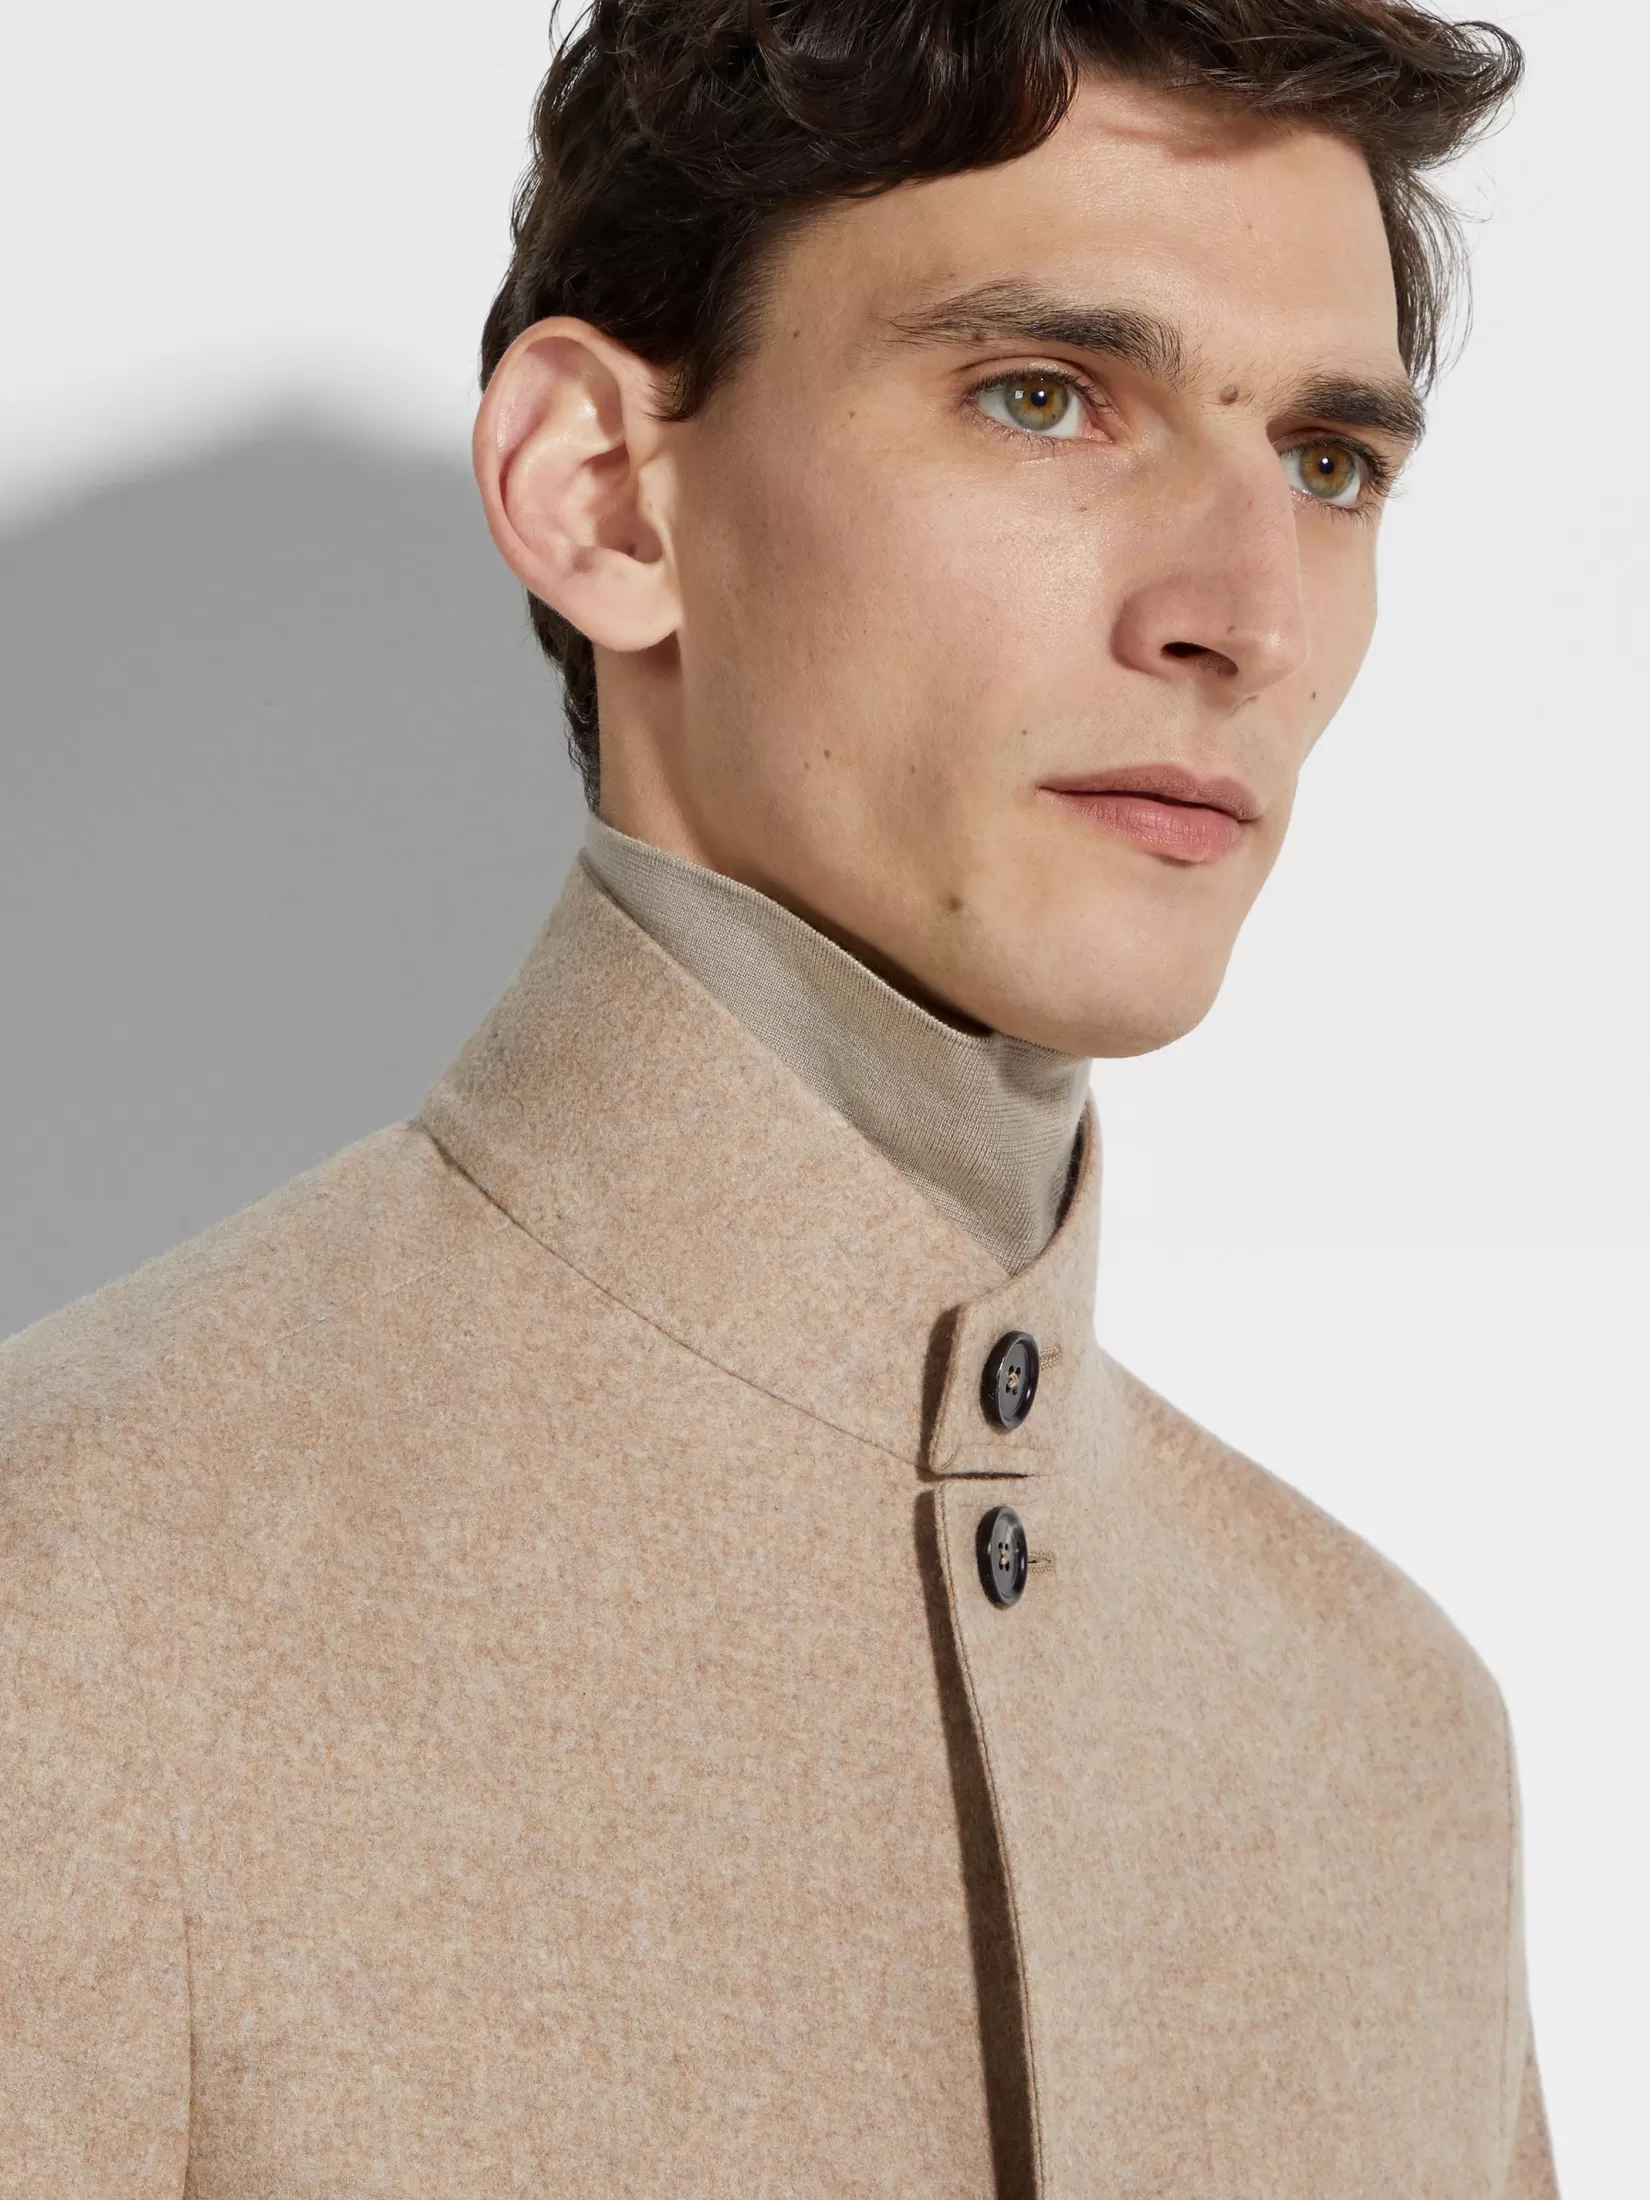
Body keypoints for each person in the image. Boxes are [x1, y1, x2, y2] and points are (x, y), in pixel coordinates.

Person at [0, 2, 1557, 2193]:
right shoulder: (67, 1617)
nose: (1245, 613)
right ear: (601, 492)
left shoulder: (1385, 1743)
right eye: (1043, 396)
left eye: (1326, 461)